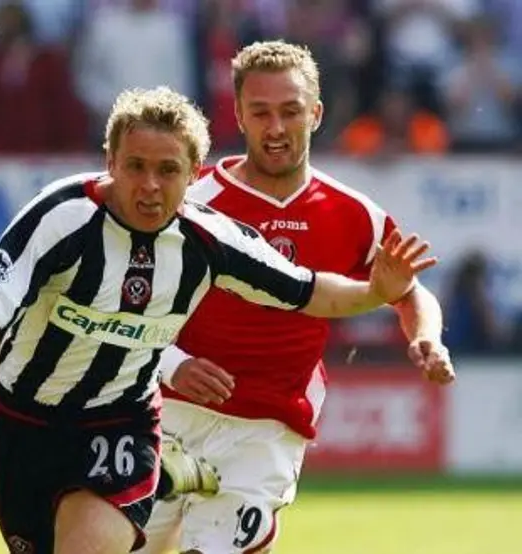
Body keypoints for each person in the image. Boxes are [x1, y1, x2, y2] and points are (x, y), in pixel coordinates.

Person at [0, 85, 434, 554]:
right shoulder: (59, 219)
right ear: (110, 162)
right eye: (136, 166)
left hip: (118, 421)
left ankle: (156, 471)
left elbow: (309, 291)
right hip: (24, 421)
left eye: (167, 170)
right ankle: (170, 475)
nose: (150, 186)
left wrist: (375, 292)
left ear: (194, 175)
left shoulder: (209, 239)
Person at [141, 41, 456, 554]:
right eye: (260, 112)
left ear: (316, 113)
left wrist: (426, 338)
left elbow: (408, 291)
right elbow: (125, 305)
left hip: (266, 427)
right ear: (238, 114)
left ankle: (248, 525)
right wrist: (174, 364)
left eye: (290, 112)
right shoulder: (190, 200)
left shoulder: (352, 213)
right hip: (168, 410)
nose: (276, 128)